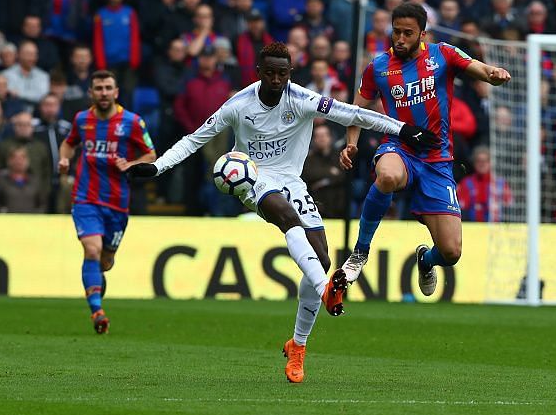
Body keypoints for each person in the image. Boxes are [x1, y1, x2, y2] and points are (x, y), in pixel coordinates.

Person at [127, 42, 438, 382]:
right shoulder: (239, 104)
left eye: (283, 73)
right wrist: (157, 167)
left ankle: (298, 345)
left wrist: (402, 129)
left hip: (292, 180)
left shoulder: (303, 99)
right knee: (287, 217)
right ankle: (326, 289)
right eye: (270, 73)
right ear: (258, 72)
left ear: (291, 73)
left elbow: (353, 113)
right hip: (252, 178)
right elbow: (195, 138)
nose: (276, 79)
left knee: (320, 258)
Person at [339, 3, 511, 296]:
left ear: (422, 34)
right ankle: (360, 251)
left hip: (437, 160)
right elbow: (356, 110)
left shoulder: (442, 54)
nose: (400, 39)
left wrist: (491, 73)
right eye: (396, 32)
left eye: (408, 33)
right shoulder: (378, 67)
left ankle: (425, 259)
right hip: (398, 148)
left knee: (451, 252)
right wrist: (351, 143)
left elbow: (476, 67)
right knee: (388, 177)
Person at [58, 70, 156, 334]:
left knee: (105, 262)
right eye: (98, 88)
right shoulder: (81, 120)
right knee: (91, 250)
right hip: (85, 198)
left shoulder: (132, 122)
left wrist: (132, 163)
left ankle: (96, 289)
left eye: (107, 88)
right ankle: (97, 312)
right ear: (91, 92)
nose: (103, 92)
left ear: (116, 92)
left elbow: (150, 154)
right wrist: (64, 159)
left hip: (117, 202)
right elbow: (68, 144)